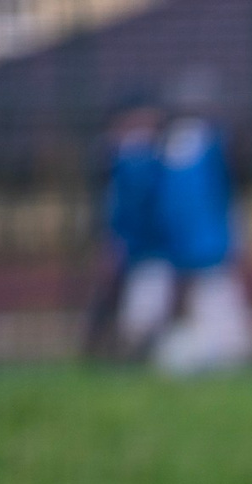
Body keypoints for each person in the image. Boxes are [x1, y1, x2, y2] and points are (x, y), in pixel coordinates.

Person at [148, 80, 251, 374]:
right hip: (204, 248)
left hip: (189, 248)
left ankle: (196, 355)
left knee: (201, 305)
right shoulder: (206, 144)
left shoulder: (170, 148)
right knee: (211, 308)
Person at [83, 93, 166, 359]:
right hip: (128, 246)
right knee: (114, 302)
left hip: (150, 250)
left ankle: (123, 355)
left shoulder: (150, 157)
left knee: (140, 313)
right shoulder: (122, 158)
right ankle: (99, 354)